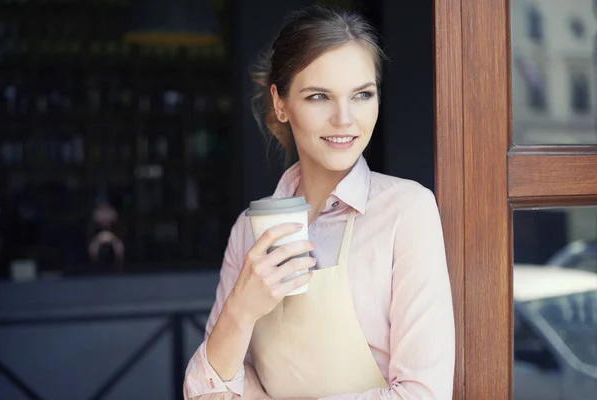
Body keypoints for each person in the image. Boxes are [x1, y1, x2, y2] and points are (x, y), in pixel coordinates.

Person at [184, 5, 455, 400]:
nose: (344, 119)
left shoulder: (407, 212)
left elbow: (423, 395)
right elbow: (204, 391)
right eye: (318, 97)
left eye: (362, 94)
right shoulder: (249, 229)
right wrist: (241, 311)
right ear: (280, 103)